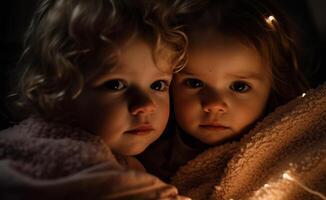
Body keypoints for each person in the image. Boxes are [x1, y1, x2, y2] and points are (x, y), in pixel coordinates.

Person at [0, 0, 189, 199]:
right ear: (56, 91)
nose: (145, 105)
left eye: (158, 85)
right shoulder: (65, 154)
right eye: (115, 85)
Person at [138, 0, 309, 182]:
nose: (213, 105)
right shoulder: (147, 155)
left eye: (239, 87)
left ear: (273, 87)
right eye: (194, 83)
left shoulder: (289, 151)